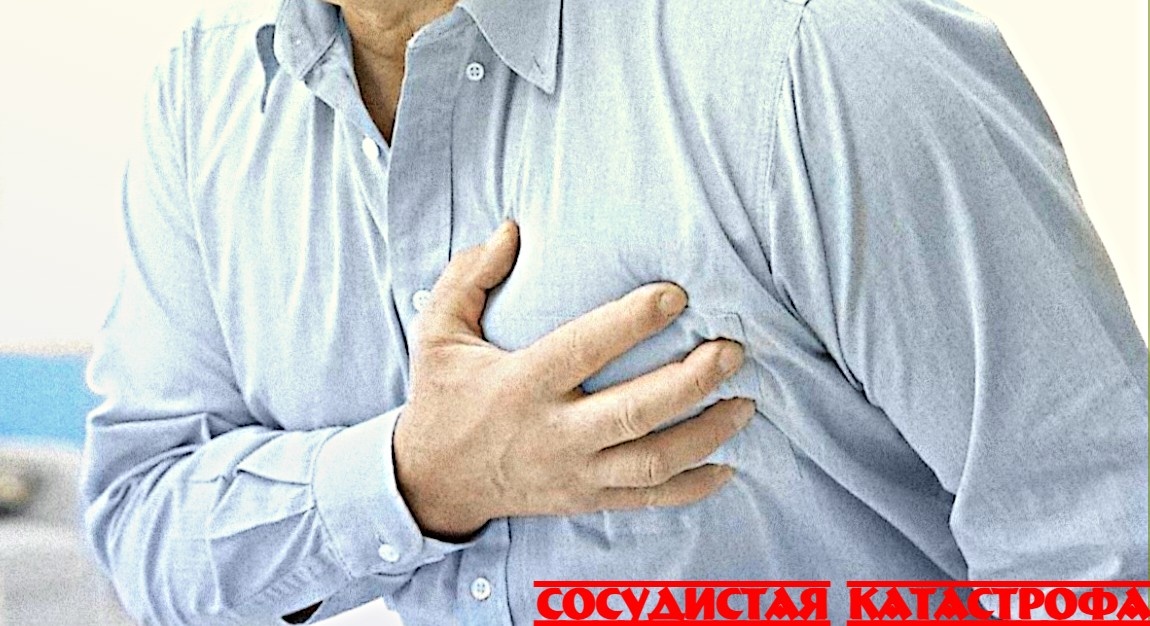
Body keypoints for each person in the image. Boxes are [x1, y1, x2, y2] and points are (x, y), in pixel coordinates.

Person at [80, 0, 1149, 623]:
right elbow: (145, 519)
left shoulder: (815, 50)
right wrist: (416, 479)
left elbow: (1100, 549)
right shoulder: (206, 96)